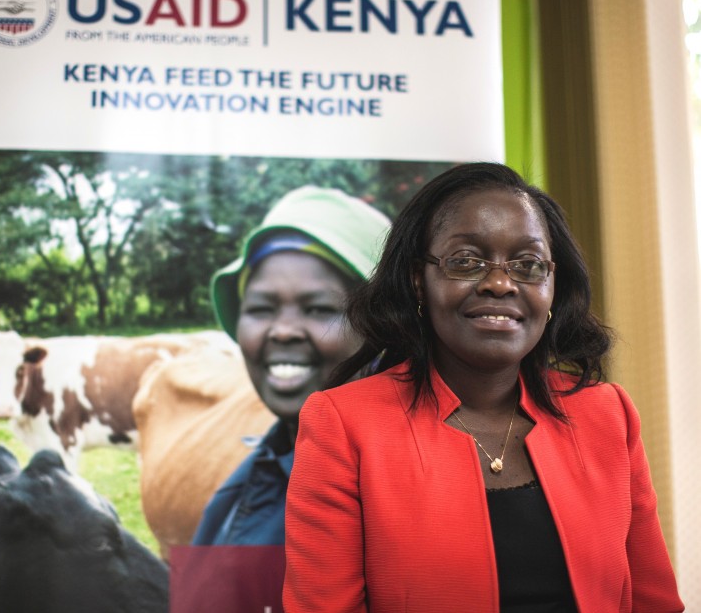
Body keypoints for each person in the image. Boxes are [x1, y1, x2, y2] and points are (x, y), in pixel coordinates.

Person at [283, 163, 684, 612]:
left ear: (553, 285)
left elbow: (655, 602)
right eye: (467, 262)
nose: (499, 283)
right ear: (420, 279)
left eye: (528, 264)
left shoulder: (606, 414)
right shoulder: (344, 423)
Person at [192, 185, 390, 547]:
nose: (282, 331)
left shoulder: (407, 501)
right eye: (261, 309)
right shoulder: (242, 490)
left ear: (382, 331)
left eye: (318, 308)